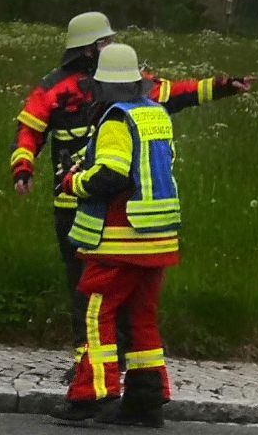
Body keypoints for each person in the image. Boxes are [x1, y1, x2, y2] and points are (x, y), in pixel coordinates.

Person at [9, 11, 253, 373]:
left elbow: (175, 93)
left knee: (116, 287)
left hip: (114, 207)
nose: (111, 45)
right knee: (84, 287)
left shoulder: (126, 80)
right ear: (87, 49)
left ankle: (113, 359)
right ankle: (87, 362)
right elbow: (29, 130)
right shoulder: (54, 88)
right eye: (105, 41)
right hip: (72, 205)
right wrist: (23, 168)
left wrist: (221, 87)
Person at [55, 42, 183, 425]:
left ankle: (92, 395)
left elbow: (111, 175)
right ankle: (145, 402)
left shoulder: (115, 119)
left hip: (120, 239)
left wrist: (73, 182)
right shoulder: (155, 114)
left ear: (103, 85)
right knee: (142, 318)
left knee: (97, 312)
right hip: (157, 238)